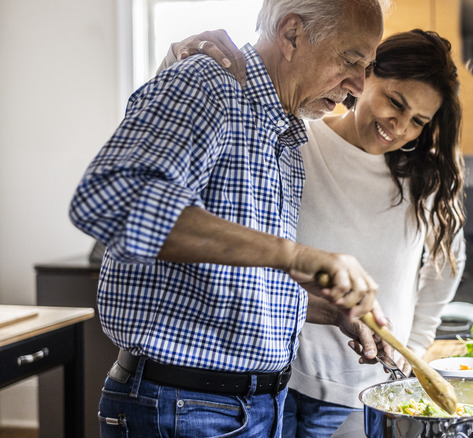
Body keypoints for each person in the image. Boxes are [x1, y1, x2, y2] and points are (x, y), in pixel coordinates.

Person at [68, 1, 387, 437]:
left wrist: (331, 310)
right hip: (184, 408)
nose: (357, 87)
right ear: (292, 34)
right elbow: (112, 200)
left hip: (254, 405)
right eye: (350, 61)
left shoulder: (283, 135)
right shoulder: (208, 84)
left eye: (366, 67)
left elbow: (226, 284)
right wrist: (296, 256)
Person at [166, 28, 466, 437]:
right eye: (395, 103)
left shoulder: (424, 179)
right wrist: (172, 64)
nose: (399, 126)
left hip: (367, 393)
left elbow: (445, 271)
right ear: (365, 75)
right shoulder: (297, 139)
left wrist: (411, 350)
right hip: (276, 383)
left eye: (418, 121)